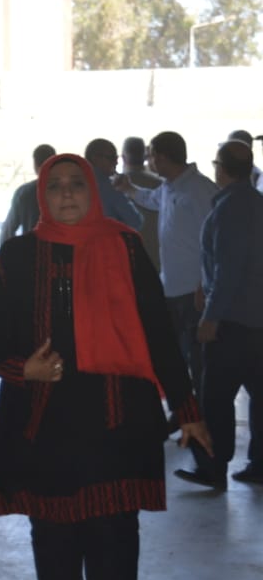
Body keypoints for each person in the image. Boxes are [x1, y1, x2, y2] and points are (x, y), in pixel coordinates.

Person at [0, 152, 211, 580]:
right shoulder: (19, 254)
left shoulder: (123, 246)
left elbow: (157, 329)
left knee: (115, 533)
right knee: (53, 530)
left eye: (77, 184)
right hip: (44, 415)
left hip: (116, 416)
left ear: (93, 191)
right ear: (42, 195)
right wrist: (23, 368)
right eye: (56, 185)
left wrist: (186, 407)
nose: (67, 194)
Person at [174, 139, 263, 489]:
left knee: (215, 398)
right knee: (259, 395)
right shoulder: (257, 203)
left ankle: (212, 466)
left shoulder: (228, 209)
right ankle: (260, 464)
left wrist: (211, 316)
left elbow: (228, 268)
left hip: (231, 321)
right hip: (257, 319)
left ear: (220, 169)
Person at [116, 131, 218, 395]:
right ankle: (184, 408)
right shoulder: (170, 186)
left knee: (199, 359)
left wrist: (204, 284)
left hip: (194, 291)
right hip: (172, 288)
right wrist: (128, 189)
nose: (148, 161)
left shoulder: (199, 189)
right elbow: (150, 200)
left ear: (161, 158)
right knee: (174, 356)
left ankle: (201, 412)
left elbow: (215, 242)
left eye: (151, 156)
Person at [0, 143, 56, 244]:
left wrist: (8, 251)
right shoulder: (67, 192)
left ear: (35, 164)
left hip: (31, 249)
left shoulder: (24, 192)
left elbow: (7, 231)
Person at [121, 136, 161, 271]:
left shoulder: (114, 185)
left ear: (123, 157)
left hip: (126, 259)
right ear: (145, 157)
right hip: (156, 259)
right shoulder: (161, 185)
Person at [83, 138, 143, 228]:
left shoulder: (74, 183)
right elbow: (135, 221)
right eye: (112, 158)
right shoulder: (110, 187)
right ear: (95, 159)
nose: (116, 162)